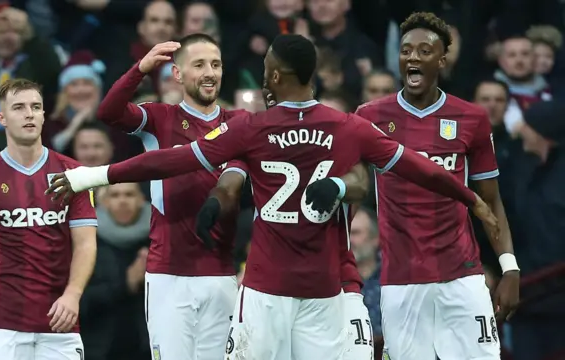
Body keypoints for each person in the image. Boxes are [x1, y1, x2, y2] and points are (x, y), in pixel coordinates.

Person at [47, 34, 498, 359]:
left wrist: (94, 176)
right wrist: (468, 197)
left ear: (277, 75)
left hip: (263, 287)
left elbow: (172, 162)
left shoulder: (248, 126)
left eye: (264, 70)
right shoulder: (348, 126)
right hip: (319, 284)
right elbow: (414, 165)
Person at [308, 12, 519, 360]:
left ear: (442, 58)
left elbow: (491, 201)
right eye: (407, 50)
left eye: (424, 50)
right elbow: (359, 183)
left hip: (462, 276)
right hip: (400, 281)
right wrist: (339, 187)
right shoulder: (370, 117)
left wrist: (509, 267)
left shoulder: (472, 118)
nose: (414, 57)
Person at [95, 34, 249, 360]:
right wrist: (141, 69)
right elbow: (108, 112)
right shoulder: (160, 118)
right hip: (169, 275)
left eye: (216, 64)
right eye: (199, 64)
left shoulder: (239, 124)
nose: (210, 72)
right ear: (177, 75)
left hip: (221, 274)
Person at [0, 79, 98, 360]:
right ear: (2, 118)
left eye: (36, 107)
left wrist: (73, 294)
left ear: (44, 115)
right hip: (2, 323)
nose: (29, 113)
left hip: (61, 321)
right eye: (18, 107)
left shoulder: (73, 174)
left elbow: (86, 244)